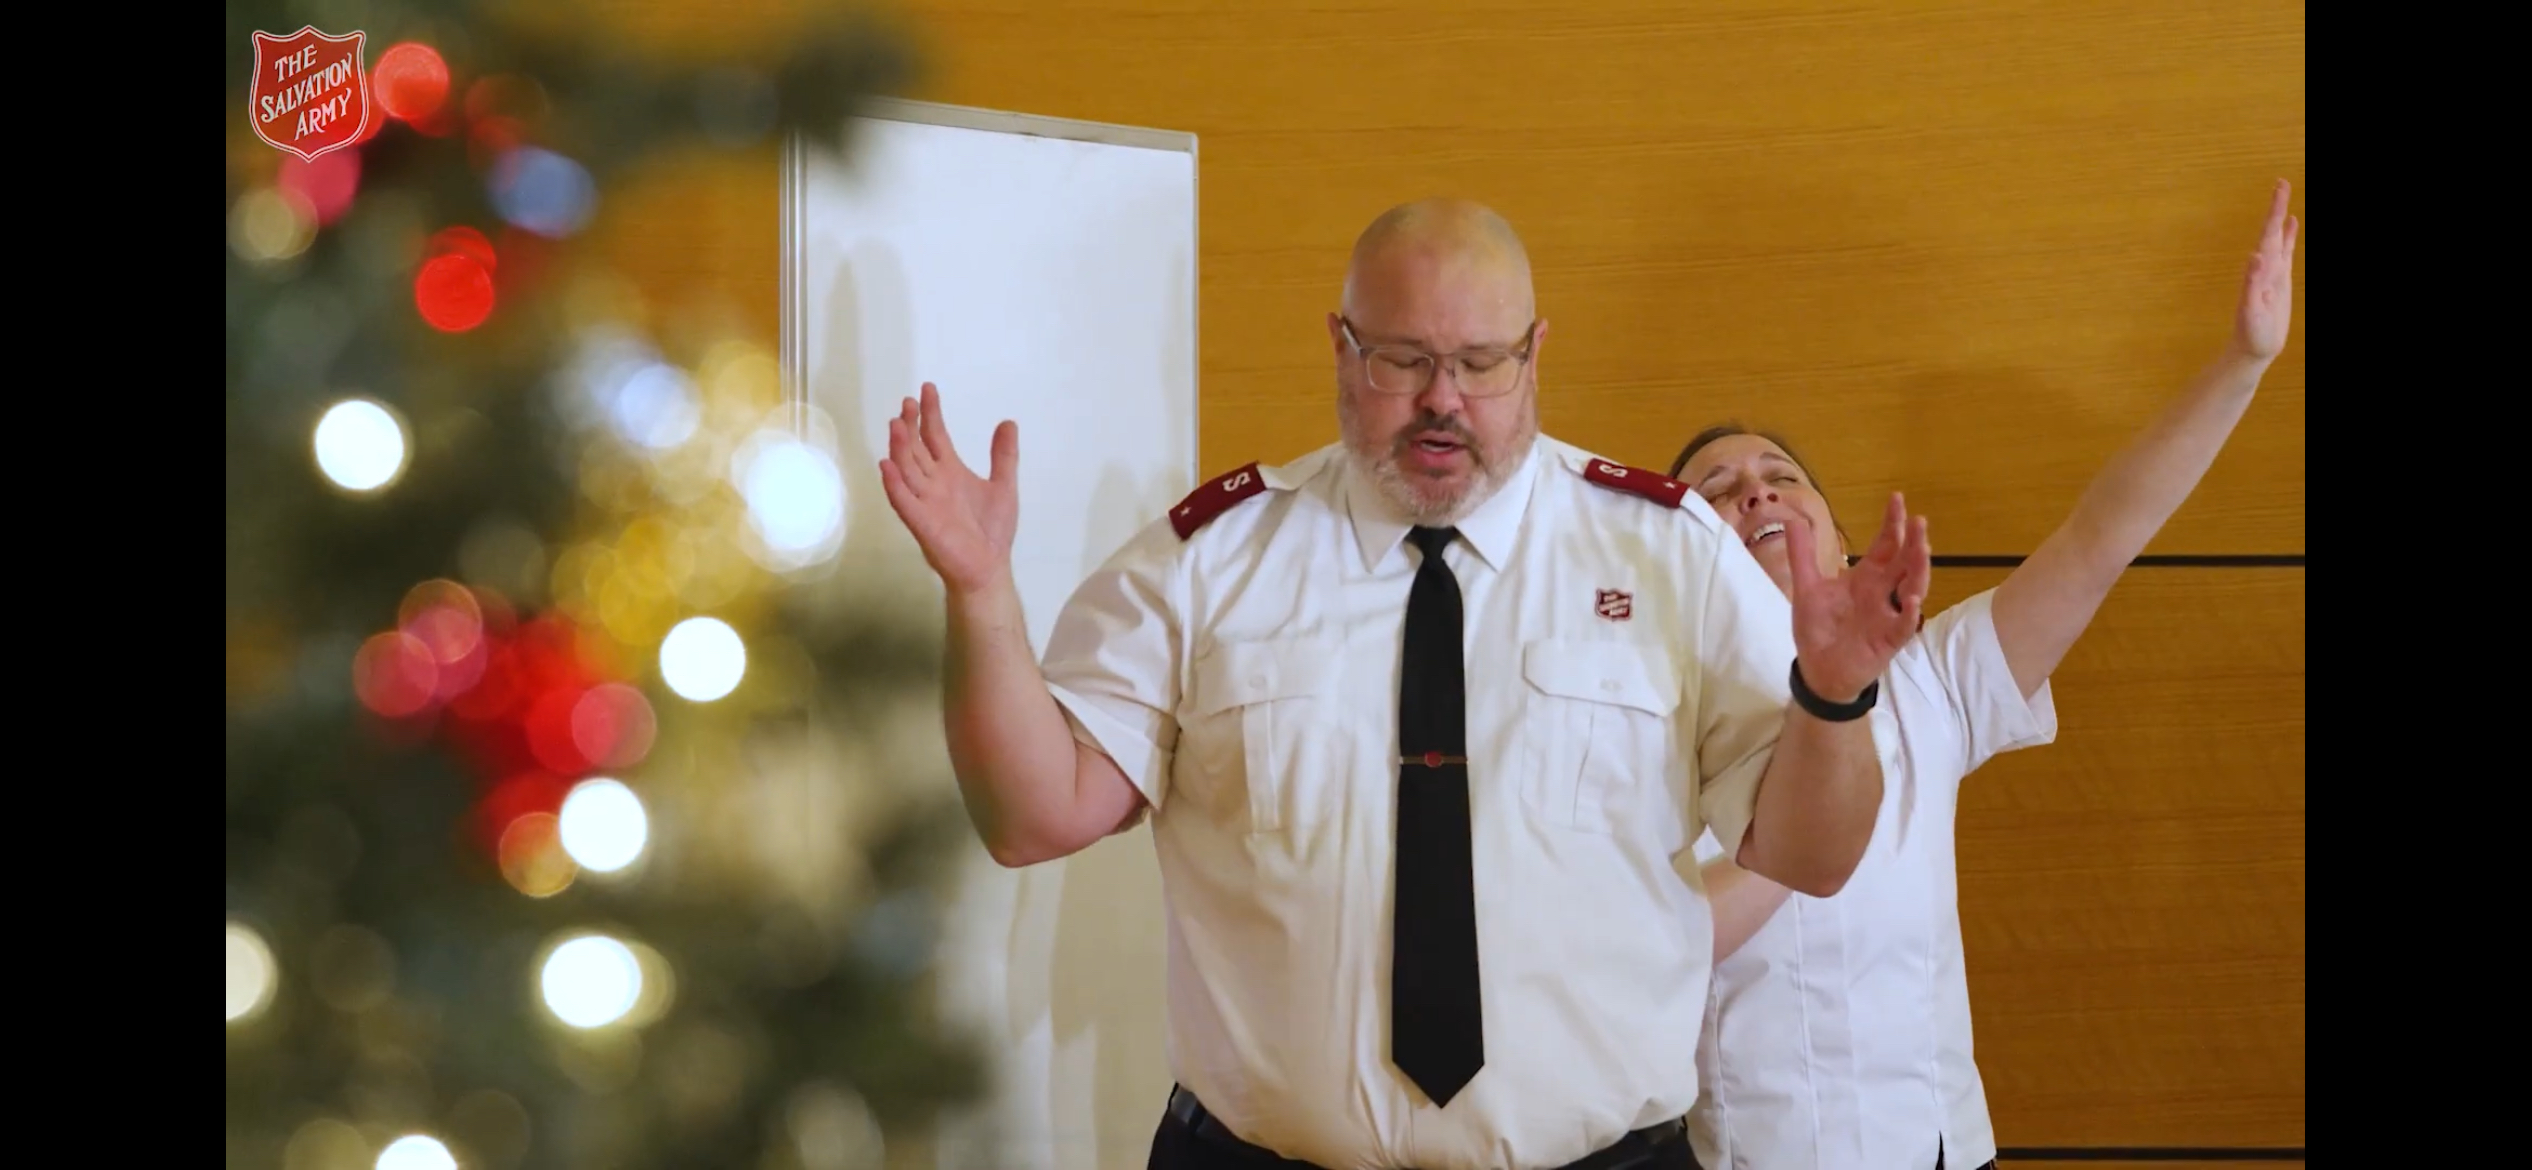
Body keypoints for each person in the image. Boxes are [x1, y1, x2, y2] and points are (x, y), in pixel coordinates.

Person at [876, 198, 1936, 1170]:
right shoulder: (1210, 560)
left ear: (1534, 355)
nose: (1444, 402)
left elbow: (1810, 853)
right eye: (1404, 360)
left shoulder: (1668, 554)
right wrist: (979, 594)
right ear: (1340, 346)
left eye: (1482, 363)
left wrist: (1834, 696)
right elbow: (1033, 815)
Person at [1670, 180, 2300, 1170]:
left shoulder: (1931, 681)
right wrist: (1820, 750)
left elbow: (2102, 537)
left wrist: (2242, 364)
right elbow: (1650, 955)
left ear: (1838, 540)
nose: (1754, 488)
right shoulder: (1641, 720)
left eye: (1781, 477)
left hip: (1947, 1153)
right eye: (1717, 489)